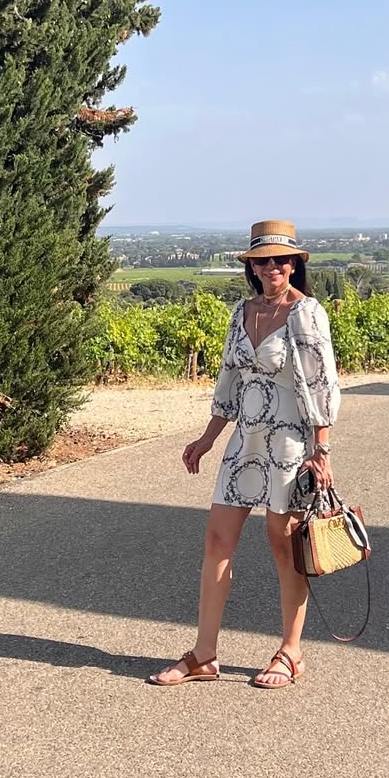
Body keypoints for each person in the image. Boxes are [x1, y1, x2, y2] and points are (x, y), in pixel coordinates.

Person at [148, 219, 341, 689]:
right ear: (251, 267)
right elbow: (229, 382)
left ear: (293, 265)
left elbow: (322, 386)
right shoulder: (242, 311)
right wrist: (207, 438)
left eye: (280, 260)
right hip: (245, 441)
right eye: (262, 260)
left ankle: (291, 652)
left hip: (290, 443)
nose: (272, 267)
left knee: (284, 545)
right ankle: (203, 655)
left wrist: (322, 451)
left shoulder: (306, 313)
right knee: (217, 540)